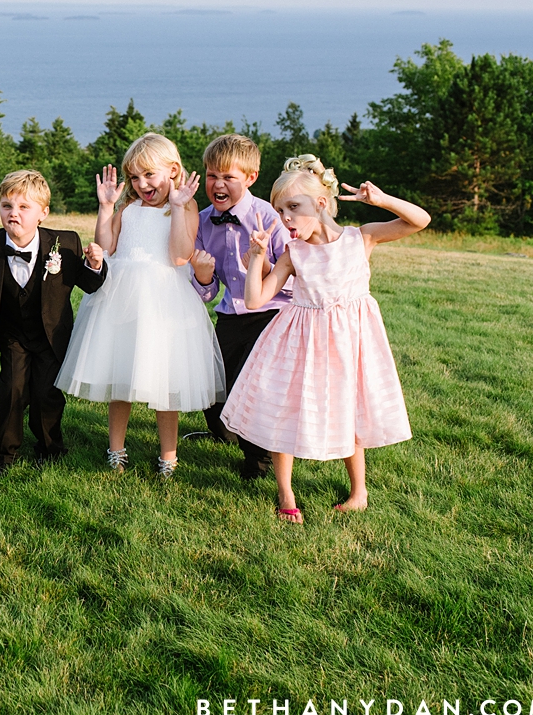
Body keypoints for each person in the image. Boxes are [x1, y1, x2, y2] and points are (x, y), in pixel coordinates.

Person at [219, 155, 430, 523]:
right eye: (280, 210)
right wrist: (255, 257)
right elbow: (255, 299)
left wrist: (381, 200)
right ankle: (286, 493)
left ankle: (359, 491)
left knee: (351, 408)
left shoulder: (360, 237)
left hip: (350, 344)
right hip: (300, 343)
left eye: (293, 208)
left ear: (319, 203)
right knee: (287, 411)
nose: (285, 219)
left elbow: (420, 221)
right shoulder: (292, 253)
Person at [57, 134, 225, 476]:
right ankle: (116, 449)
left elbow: (179, 255)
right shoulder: (128, 208)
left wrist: (178, 206)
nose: (142, 183)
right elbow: (106, 248)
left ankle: (168, 456)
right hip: (121, 299)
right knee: (121, 375)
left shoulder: (183, 206)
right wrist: (106, 208)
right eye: (134, 177)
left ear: (173, 170)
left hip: (165, 302)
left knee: (166, 381)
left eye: (149, 175)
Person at [0, 169, 107, 477]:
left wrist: (95, 265)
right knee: (11, 390)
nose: (13, 214)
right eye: (6, 206)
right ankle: (2, 453)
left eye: (24, 207)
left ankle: (49, 447)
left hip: (51, 335)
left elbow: (89, 283)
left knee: (47, 394)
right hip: (12, 333)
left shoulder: (65, 243)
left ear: (43, 213)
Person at [171, 133, 292, 480]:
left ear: (251, 178)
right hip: (230, 313)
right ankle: (224, 433)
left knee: (251, 387)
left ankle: (257, 462)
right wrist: (205, 277)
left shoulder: (269, 217)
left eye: (228, 177)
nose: (218, 184)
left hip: (271, 314)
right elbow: (206, 294)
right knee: (212, 382)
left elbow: (295, 274)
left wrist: (265, 267)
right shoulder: (205, 221)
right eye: (212, 176)